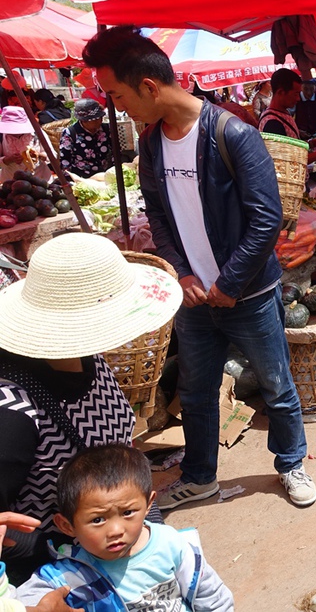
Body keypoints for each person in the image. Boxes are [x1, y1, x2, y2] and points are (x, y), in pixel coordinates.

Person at [83, 25, 316, 511]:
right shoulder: (150, 145)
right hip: (193, 299)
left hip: (247, 295)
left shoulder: (233, 133)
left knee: (276, 384)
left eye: (119, 96)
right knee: (196, 392)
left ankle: (291, 463)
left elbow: (266, 219)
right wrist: (182, 272)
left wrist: (230, 282)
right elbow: (159, 217)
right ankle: (201, 476)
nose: (119, 108)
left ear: (149, 86)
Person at [0, 233, 181, 585]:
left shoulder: (85, 356)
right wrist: (67, 550)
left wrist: (147, 537)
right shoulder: (13, 415)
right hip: (60, 579)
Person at [16, 445, 233, 611]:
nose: (116, 530)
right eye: (98, 520)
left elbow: (212, 597)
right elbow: (16, 603)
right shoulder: (68, 576)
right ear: (67, 525)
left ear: (148, 505)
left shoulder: (172, 545)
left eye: (128, 513)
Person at [259, 70, 316, 163]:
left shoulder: (283, 114)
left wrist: (313, 143)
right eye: (295, 94)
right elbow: (285, 161)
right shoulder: (272, 123)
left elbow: (292, 147)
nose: (298, 98)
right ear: (281, 92)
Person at [58, 100, 113, 178]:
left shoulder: (106, 129)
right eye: (95, 120)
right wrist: (69, 180)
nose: (99, 121)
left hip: (104, 175)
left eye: (100, 118)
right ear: (84, 121)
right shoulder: (70, 133)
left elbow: (115, 151)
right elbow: (65, 160)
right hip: (82, 177)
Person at [0, 107, 41, 182]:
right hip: (10, 181)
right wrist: (8, 160)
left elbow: (52, 155)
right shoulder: (1, 136)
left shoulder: (37, 132)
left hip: (38, 179)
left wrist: (37, 155)